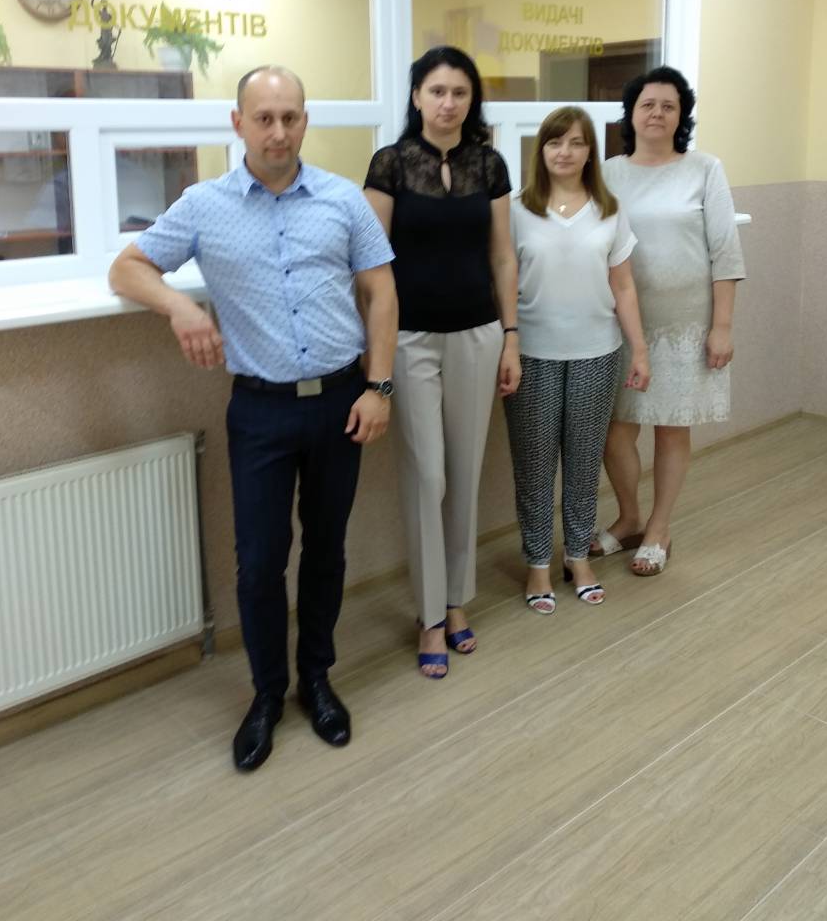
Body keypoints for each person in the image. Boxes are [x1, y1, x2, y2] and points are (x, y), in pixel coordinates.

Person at [108, 66, 397, 772]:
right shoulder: (204, 205)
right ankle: (267, 694)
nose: (278, 131)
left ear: (305, 121)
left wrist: (380, 387)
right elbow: (127, 268)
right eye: (263, 118)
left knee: (326, 548)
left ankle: (316, 680)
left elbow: (382, 291)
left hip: (341, 401)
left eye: (290, 117)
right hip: (260, 409)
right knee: (261, 560)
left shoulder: (341, 199)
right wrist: (180, 306)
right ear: (237, 124)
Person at [364, 46, 521, 678]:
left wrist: (510, 336)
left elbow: (503, 256)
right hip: (410, 340)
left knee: (464, 470)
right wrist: (374, 349)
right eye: (436, 91)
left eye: (459, 92)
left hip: (478, 335)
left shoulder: (490, 163)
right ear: (416, 97)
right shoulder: (391, 164)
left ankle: (456, 602)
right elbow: (370, 264)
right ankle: (429, 613)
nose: (448, 103)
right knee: (426, 475)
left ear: (471, 99)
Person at [598, 66, 745, 576]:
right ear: (631, 114)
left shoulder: (704, 169)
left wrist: (722, 326)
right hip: (620, 323)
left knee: (670, 428)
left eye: (668, 105)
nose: (657, 113)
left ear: (681, 116)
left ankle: (659, 528)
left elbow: (725, 252)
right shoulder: (609, 173)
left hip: (685, 323)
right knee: (615, 430)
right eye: (648, 104)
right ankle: (629, 518)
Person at [503, 107, 650, 615]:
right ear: (540, 150)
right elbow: (503, 282)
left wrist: (639, 348)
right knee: (534, 464)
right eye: (554, 142)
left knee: (585, 461)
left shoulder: (610, 209)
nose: (564, 152)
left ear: (591, 152)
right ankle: (537, 564)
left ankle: (578, 557)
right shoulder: (517, 210)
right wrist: (508, 344)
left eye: (576, 142)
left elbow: (623, 286)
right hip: (532, 354)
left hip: (597, 352)